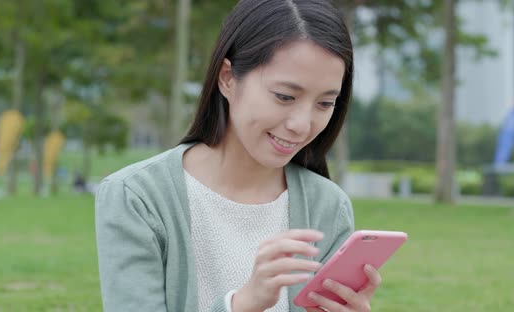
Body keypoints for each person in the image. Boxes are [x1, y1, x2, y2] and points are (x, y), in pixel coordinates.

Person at [95, 1, 382, 311]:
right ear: (228, 78)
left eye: (325, 104)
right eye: (285, 96)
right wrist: (240, 305)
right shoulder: (138, 197)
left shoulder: (327, 206)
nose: (301, 125)